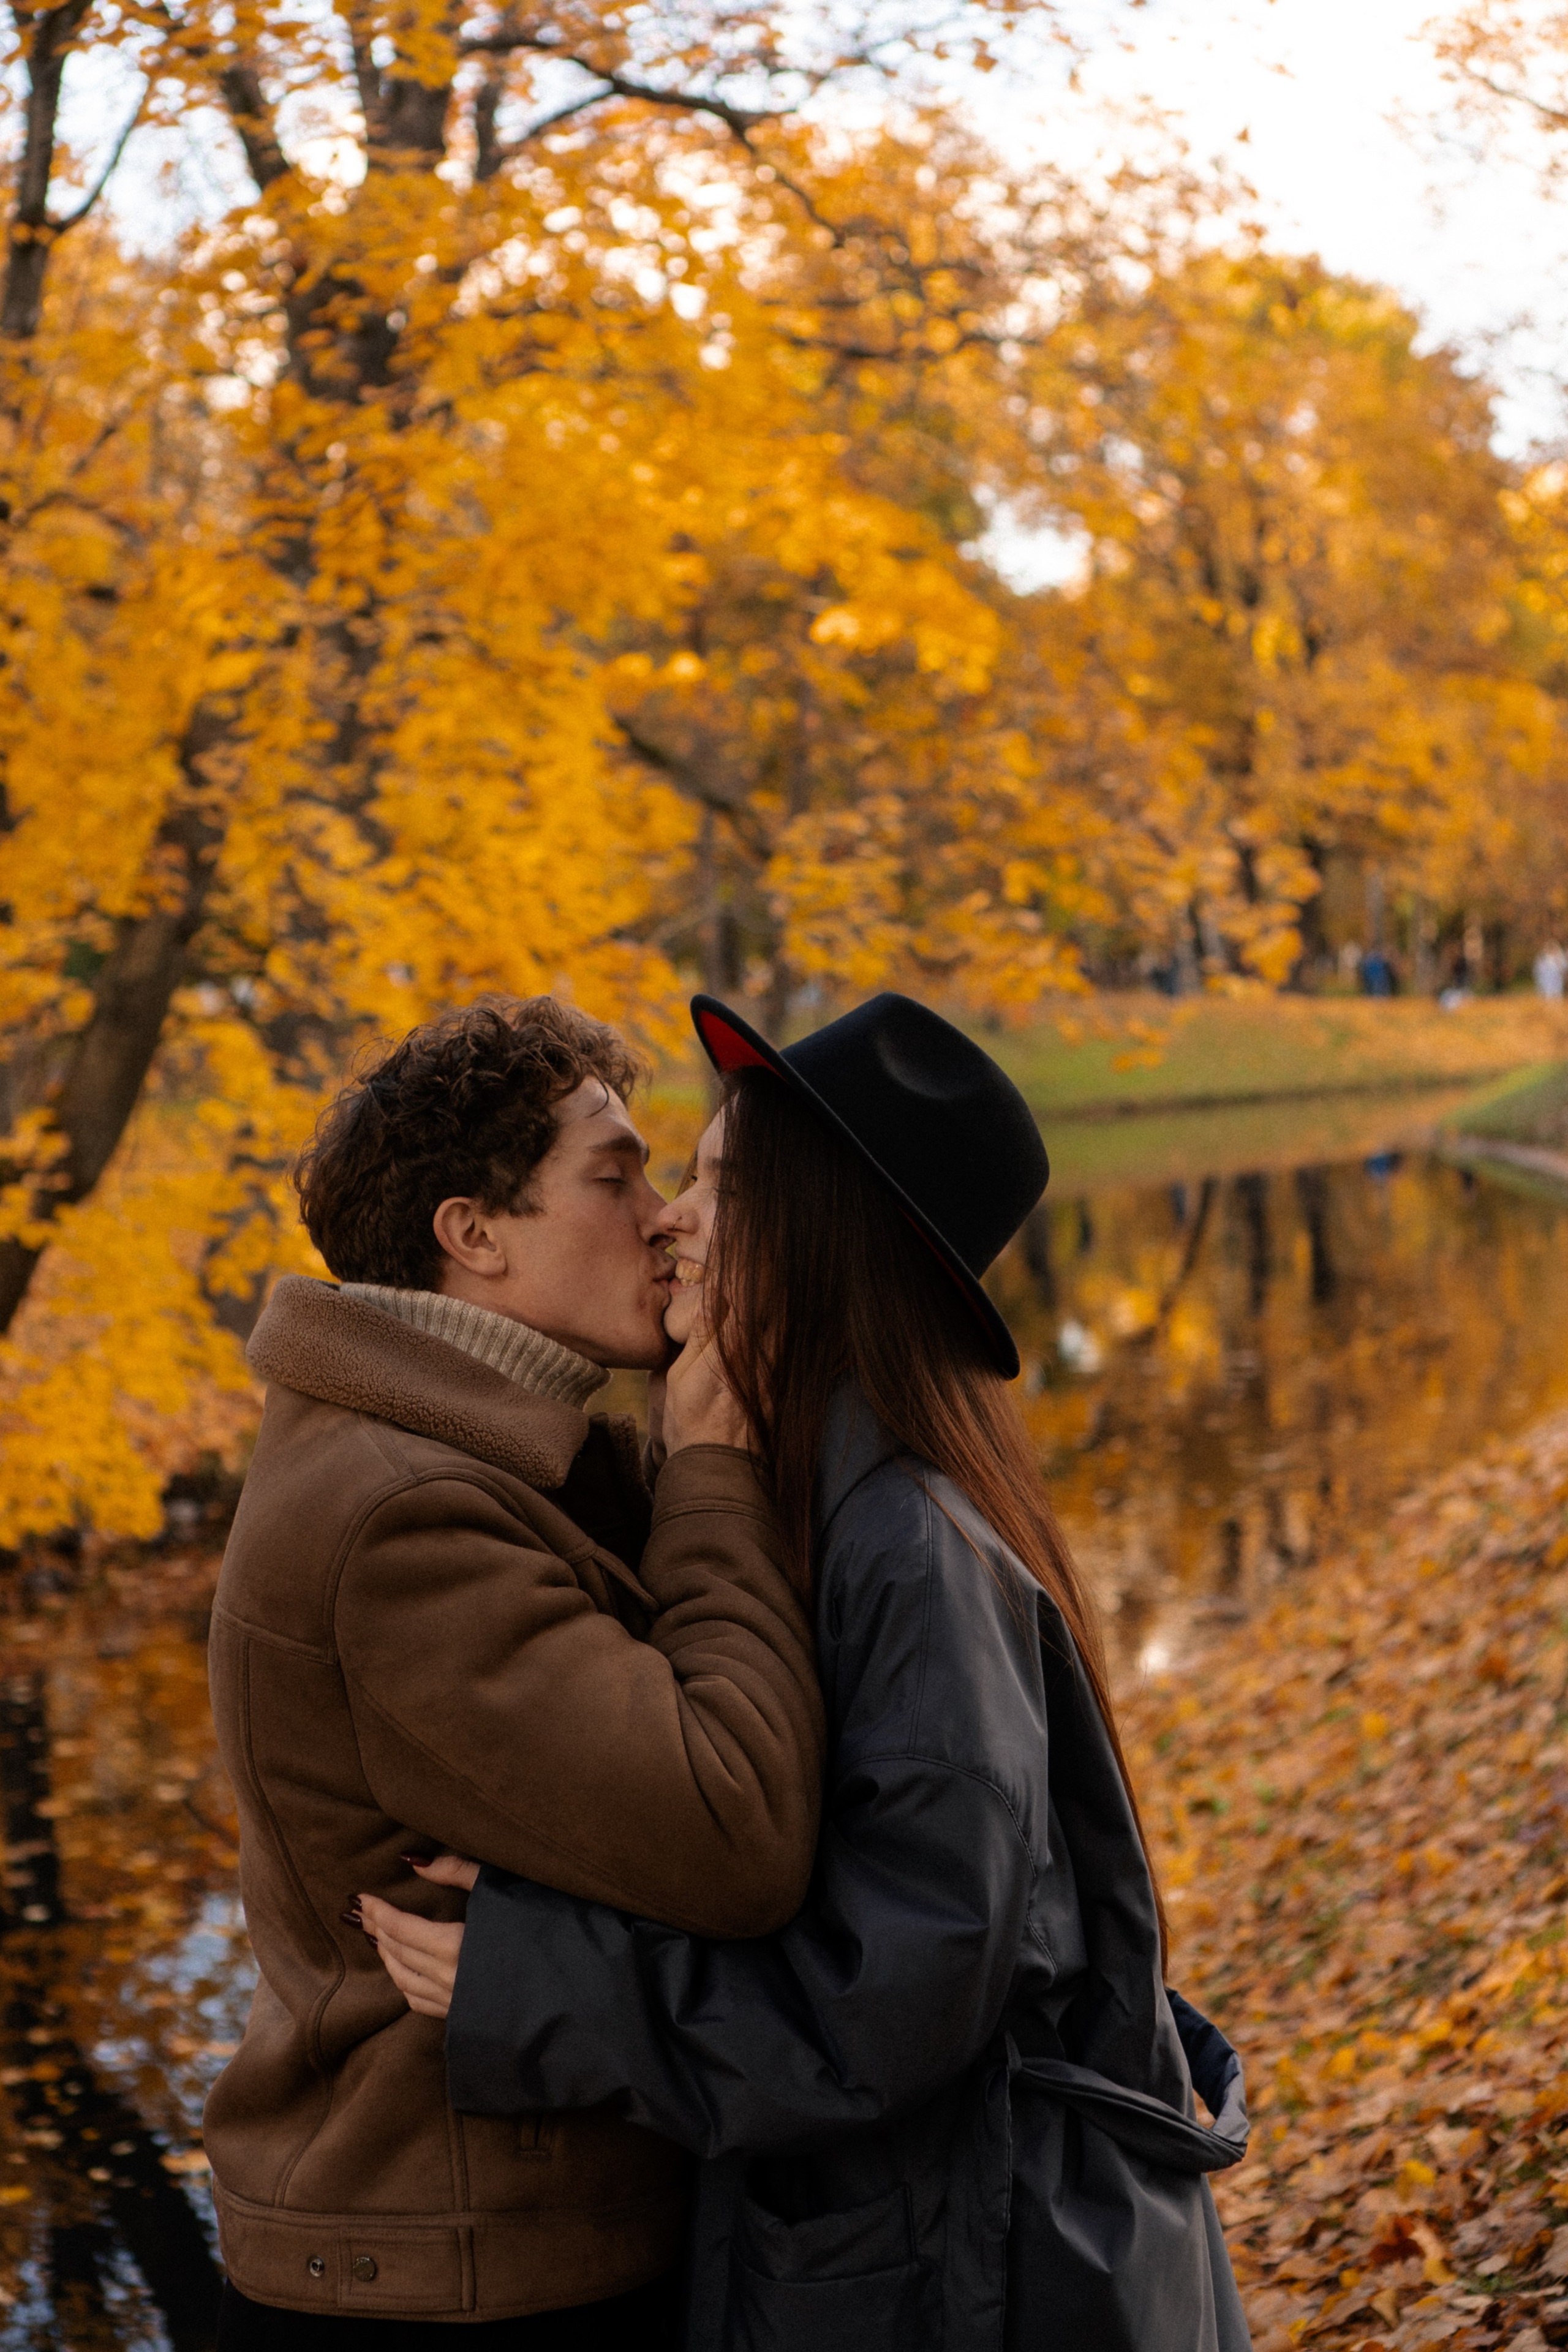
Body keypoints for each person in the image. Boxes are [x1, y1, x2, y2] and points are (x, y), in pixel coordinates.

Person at [363, 992, 1253, 2352]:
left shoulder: (904, 1549)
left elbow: (891, 2002)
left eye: (718, 1185)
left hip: (969, 2279)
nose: (670, 1219)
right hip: (911, 2249)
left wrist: (546, 1982)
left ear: (817, 1231)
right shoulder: (820, 1500)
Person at [205, 997, 825, 2345]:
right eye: (615, 1178)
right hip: (455, 2275)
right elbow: (733, 1830)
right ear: (473, 1235)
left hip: (502, 2240)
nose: (663, 1218)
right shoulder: (402, 1515)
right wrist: (711, 1471)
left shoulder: (480, 1458)